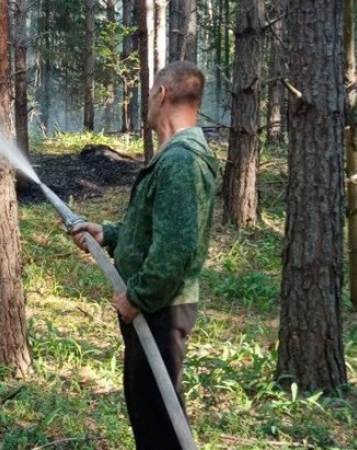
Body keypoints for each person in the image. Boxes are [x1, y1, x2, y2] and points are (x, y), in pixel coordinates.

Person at [71, 61, 218, 450]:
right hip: (159, 308)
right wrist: (110, 235)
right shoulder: (177, 156)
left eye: (150, 93)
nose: (147, 102)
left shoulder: (181, 161)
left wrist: (138, 297)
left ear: (162, 94)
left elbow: (176, 248)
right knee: (152, 412)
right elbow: (160, 231)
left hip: (160, 310)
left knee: (159, 424)